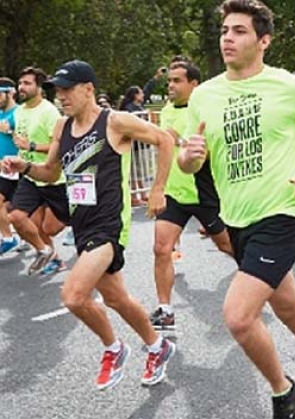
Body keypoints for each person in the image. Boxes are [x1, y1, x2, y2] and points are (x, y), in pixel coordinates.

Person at [178, 1, 295, 419]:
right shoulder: (204, 95)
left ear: (264, 40)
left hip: (284, 212)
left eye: (239, 30)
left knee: (238, 317)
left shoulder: (289, 86)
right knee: (289, 307)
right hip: (237, 219)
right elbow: (187, 161)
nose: (227, 38)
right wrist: (188, 157)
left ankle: (282, 389)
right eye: (224, 30)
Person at [2, 60, 176, 389]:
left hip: (110, 224)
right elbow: (51, 173)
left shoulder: (115, 122)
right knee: (116, 299)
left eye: (68, 89)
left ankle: (114, 348)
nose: (61, 96)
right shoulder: (62, 128)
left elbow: (164, 140)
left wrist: (157, 189)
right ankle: (158, 346)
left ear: (88, 89)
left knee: (73, 295)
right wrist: (23, 165)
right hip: (81, 223)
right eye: (58, 90)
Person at [150, 60, 233, 331]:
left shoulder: (206, 111)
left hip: (203, 193)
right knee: (161, 249)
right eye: (169, 81)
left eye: (177, 81)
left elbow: (208, 150)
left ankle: (260, 278)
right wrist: (158, 188)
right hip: (175, 194)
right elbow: (164, 150)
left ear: (193, 84)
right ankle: (165, 310)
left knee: (227, 246)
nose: (171, 85)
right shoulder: (166, 111)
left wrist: (180, 139)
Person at [9, 66, 68, 275]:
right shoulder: (20, 111)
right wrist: (16, 159)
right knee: (17, 218)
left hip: (53, 177)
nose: (21, 87)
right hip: (30, 175)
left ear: (39, 87)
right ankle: (47, 253)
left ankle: (84, 236)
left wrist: (31, 146)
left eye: (27, 83)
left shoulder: (49, 111)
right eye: (20, 83)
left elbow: (58, 145)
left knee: (49, 228)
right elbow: (20, 142)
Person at [0, 78, 21, 254]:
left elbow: (29, 140)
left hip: (19, 167)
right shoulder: (0, 114)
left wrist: (10, 131)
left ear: (10, 93)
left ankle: (11, 236)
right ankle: (10, 237)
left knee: (17, 208)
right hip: (3, 167)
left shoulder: (19, 113)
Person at [119, 86, 149, 206]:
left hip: (140, 145)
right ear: (135, 95)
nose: (143, 95)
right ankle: (133, 196)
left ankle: (142, 193)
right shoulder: (130, 109)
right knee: (134, 171)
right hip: (134, 145)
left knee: (140, 170)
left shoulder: (138, 107)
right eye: (141, 93)